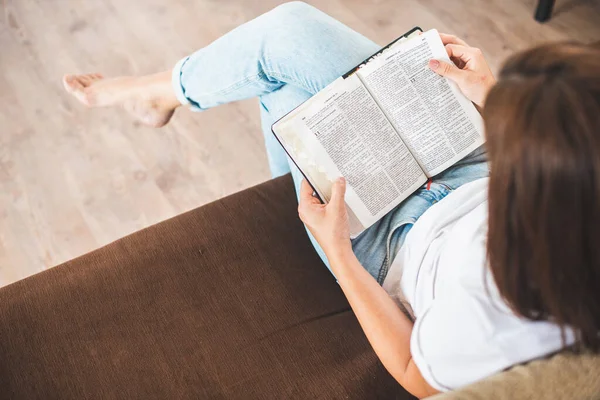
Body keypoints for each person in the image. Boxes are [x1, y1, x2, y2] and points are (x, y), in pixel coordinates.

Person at [62, 2, 600, 397]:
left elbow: (417, 377)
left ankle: (153, 96)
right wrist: (489, 97)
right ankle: (162, 93)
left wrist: (340, 256)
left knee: (284, 91)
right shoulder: (573, 199)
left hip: (393, 239)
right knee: (288, 31)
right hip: (479, 170)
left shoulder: (496, 312)